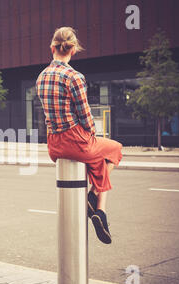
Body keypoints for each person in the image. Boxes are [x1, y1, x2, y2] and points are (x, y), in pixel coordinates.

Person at [36, 27, 123, 244]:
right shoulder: (74, 77)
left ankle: (98, 206)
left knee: (96, 158)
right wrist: (92, 133)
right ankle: (96, 202)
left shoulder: (41, 77)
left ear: (52, 47)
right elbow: (85, 116)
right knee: (114, 149)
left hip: (54, 144)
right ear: (73, 49)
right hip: (76, 140)